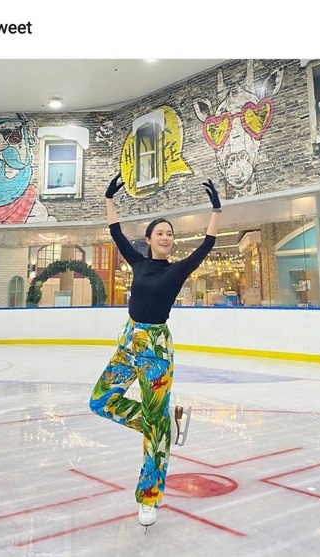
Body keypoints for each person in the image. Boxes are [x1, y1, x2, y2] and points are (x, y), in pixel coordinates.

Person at [89, 173, 221, 530]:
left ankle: (149, 498)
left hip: (156, 352)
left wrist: (215, 211)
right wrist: (109, 199)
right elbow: (116, 233)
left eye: (170, 234)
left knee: (156, 434)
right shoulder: (138, 262)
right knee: (100, 401)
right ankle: (162, 422)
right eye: (160, 232)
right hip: (128, 343)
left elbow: (207, 245)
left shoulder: (178, 270)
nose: (166, 237)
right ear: (148, 239)